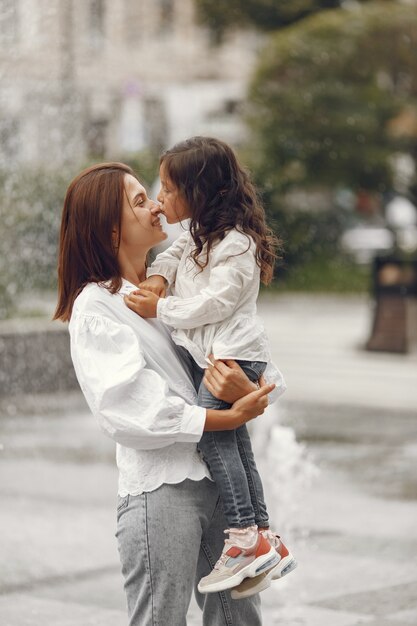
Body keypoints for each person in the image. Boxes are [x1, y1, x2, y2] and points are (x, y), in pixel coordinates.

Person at [53, 162, 279, 626]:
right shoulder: (96, 306)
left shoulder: (174, 284)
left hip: (220, 485)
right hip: (163, 491)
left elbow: (247, 349)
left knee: (240, 621)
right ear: (111, 228)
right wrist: (228, 417)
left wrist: (249, 391)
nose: (157, 204)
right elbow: (128, 411)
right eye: (140, 200)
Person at [124, 136, 297, 598]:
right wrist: (159, 276)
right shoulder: (201, 234)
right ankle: (264, 538)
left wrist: (160, 310)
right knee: (235, 444)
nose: (161, 200)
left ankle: (243, 537)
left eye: (167, 189)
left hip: (234, 355)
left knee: (214, 437)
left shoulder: (237, 245)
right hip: (221, 355)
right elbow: (178, 255)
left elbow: (214, 303)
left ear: (199, 192)